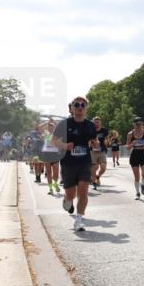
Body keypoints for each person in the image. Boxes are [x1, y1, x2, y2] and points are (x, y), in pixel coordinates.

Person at [49, 97, 98, 232]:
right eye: (77, 105)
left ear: (86, 108)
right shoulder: (64, 124)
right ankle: (67, 200)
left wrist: (95, 143)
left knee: (83, 192)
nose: (80, 107)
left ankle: (79, 220)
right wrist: (64, 145)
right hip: (68, 163)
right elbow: (53, 141)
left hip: (84, 162)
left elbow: (94, 140)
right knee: (71, 195)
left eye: (83, 105)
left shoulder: (90, 125)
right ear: (71, 108)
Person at [126, 118, 144, 199]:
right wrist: (132, 144)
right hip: (135, 154)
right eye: (137, 124)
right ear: (134, 124)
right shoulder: (130, 134)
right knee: (137, 176)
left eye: (140, 124)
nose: (138, 126)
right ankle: (137, 193)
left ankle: (143, 184)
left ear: (142, 124)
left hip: (143, 154)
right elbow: (127, 147)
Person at [38, 118, 62, 194]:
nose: (51, 128)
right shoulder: (45, 133)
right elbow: (39, 127)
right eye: (49, 127)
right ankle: (50, 188)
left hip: (55, 154)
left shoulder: (57, 134)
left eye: (52, 126)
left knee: (56, 173)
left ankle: (55, 184)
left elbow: (60, 126)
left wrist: (54, 121)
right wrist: (47, 122)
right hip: (47, 153)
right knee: (48, 172)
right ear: (48, 128)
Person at [90, 117, 110, 189]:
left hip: (102, 150)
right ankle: (94, 182)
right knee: (94, 167)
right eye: (95, 122)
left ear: (100, 123)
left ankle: (98, 176)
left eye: (98, 122)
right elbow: (87, 140)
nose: (96, 124)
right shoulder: (90, 130)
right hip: (93, 151)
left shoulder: (104, 131)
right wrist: (93, 143)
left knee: (103, 168)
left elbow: (107, 139)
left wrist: (107, 142)